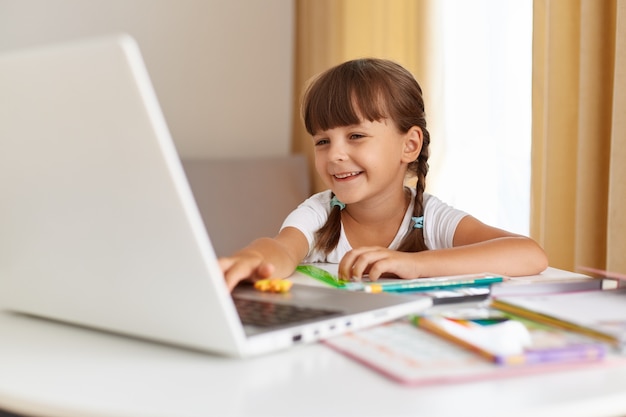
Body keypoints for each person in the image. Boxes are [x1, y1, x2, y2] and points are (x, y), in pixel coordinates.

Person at [219, 58, 548, 291]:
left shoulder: (429, 217)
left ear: (410, 145)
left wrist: (414, 265)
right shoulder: (318, 213)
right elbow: (281, 250)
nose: (334, 154)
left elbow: (529, 254)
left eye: (356, 136)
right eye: (322, 141)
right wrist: (253, 258)